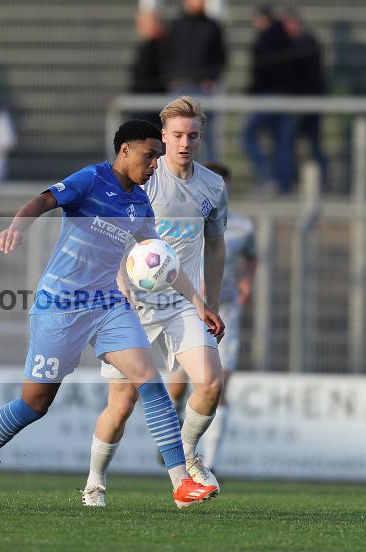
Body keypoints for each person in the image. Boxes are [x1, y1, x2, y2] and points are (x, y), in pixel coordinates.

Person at [0, 119, 224, 509]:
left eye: (157, 158)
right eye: (149, 155)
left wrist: (199, 303)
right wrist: (18, 225)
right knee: (35, 404)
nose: (154, 165)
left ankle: (180, 481)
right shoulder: (92, 179)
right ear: (125, 150)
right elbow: (44, 200)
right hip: (60, 305)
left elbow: (162, 261)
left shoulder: (140, 204)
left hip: (108, 303)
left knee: (150, 379)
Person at [81, 97, 227, 508]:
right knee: (122, 403)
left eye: (192, 135)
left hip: (183, 303)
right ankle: (94, 482)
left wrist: (208, 302)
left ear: (201, 137)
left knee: (212, 382)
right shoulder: (143, 176)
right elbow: (106, 232)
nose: (185, 143)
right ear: (162, 137)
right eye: (177, 135)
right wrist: (118, 280)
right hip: (132, 305)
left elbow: (216, 247)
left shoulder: (213, 186)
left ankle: (187, 457)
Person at [182, 162, 256, 471]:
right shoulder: (185, 217)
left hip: (224, 309)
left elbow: (251, 256)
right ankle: (177, 440)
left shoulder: (242, 226)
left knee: (219, 384)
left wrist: (246, 282)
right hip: (185, 307)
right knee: (178, 386)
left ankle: (208, 464)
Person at [161, 0, 226, 160]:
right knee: (176, 133)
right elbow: (166, 54)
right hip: (179, 87)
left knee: (206, 135)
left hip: (202, 88)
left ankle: (210, 177)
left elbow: (221, 56)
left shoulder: (212, 26)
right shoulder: (176, 25)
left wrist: (211, 78)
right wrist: (171, 77)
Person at [242, 6, 297, 194]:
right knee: (282, 143)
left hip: (267, 97)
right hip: (287, 98)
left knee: (248, 135)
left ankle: (267, 177)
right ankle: (283, 186)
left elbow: (260, 72)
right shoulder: (288, 39)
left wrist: (252, 89)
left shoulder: (264, 39)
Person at [283, 10, 328, 188]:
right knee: (303, 143)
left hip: (305, 102)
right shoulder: (308, 42)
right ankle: (306, 181)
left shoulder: (303, 43)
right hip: (307, 101)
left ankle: (314, 182)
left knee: (302, 143)